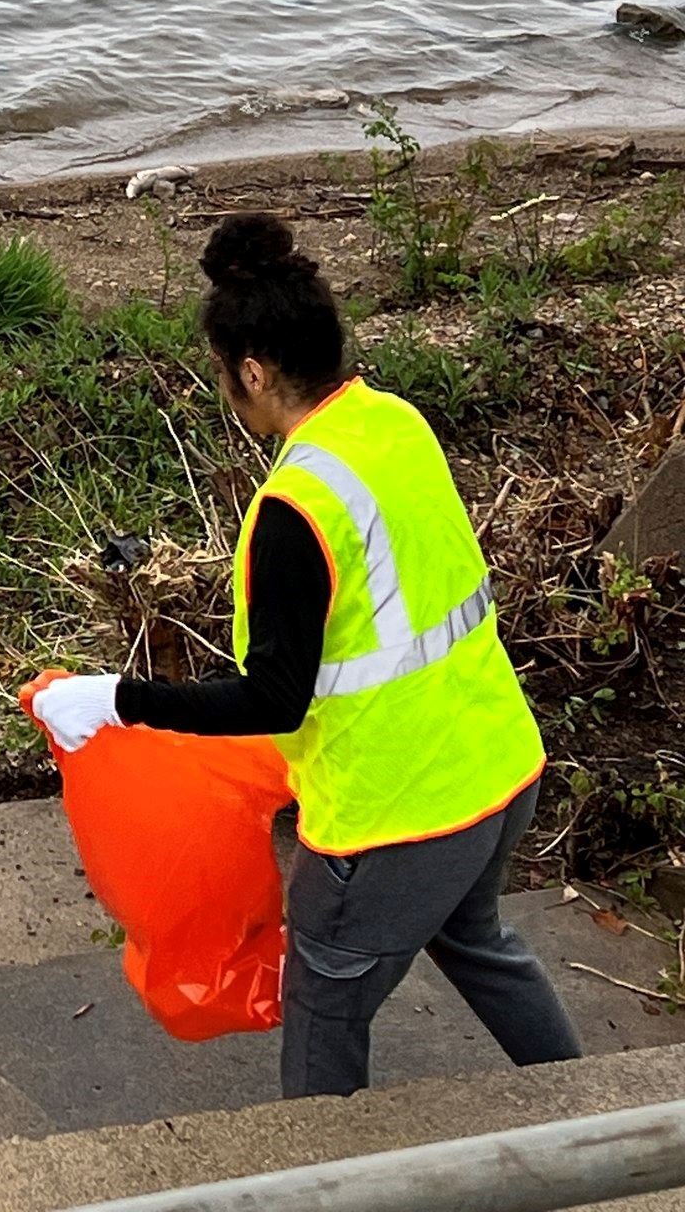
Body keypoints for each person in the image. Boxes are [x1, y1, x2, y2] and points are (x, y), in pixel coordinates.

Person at [32, 213, 582, 1098]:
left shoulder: (295, 507)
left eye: (222, 374)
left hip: (396, 819)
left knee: (325, 1006)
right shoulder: (394, 423)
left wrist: (120, 699)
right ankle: (597, 1112)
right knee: (481, 942)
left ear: (252, 370)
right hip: (501, 768)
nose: (224, 390)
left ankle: (323, 1184)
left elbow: (275, 700)